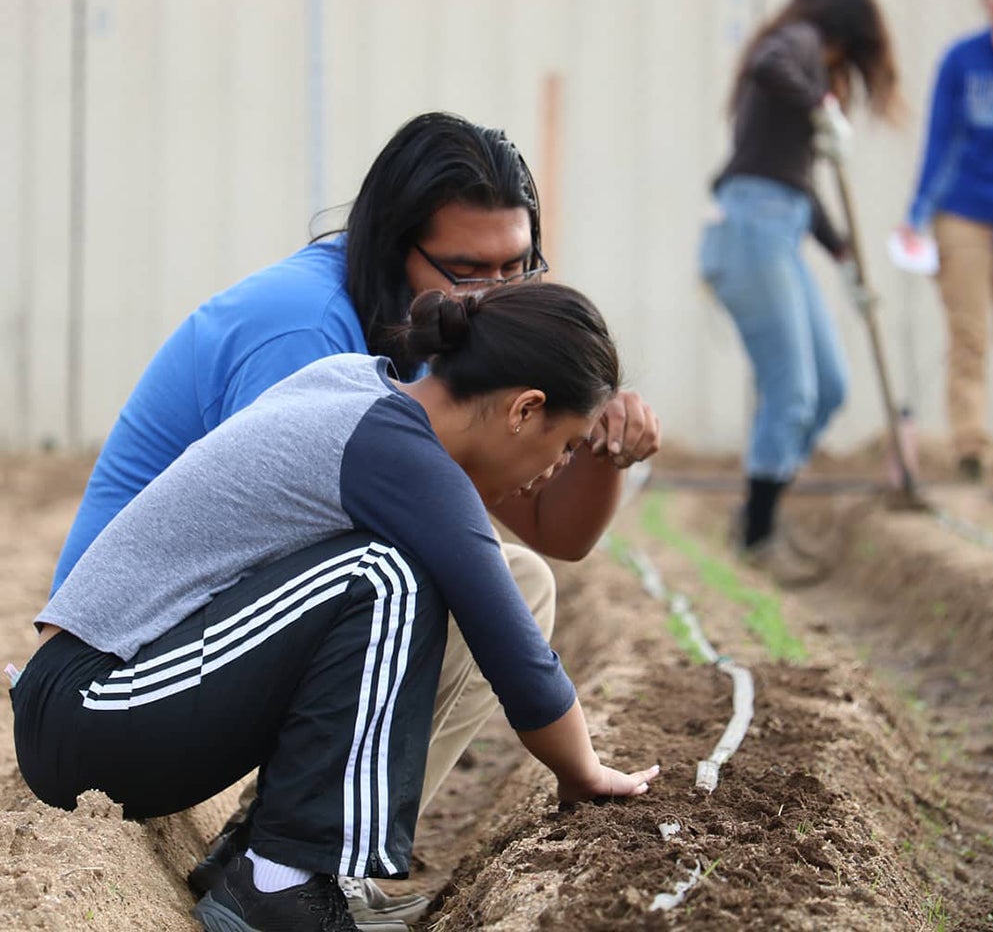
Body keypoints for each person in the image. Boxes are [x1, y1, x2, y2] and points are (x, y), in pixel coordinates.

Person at [47, 111, 661, 925]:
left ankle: (292, 858)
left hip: (169, 664)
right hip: (121, 671)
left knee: (488, 578)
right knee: (397, 576)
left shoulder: (395, 384)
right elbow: (490, 616)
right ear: (396, 246)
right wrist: (583, 772)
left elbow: (548, 534)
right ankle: (283, 872)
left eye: (520, 269)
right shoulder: (307, 335)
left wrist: (595, 451)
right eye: (471, 271)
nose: (499, 294)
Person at [699, 0, 901, 584]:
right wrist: (818, 104)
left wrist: (844, 260)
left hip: (777, 229)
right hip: (750, 231)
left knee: (830, 387)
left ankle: (762, 514)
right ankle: (758, 539)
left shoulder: (809, 61)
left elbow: (798, 189)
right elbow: (767, 63)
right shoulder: (801, 44)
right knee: (792, 393)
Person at [898, 0, 993, 486]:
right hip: (964, 214)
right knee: (970, 336)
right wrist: (916, 213)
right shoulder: (962, 61)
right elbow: (939, 143)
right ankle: (971, 451)